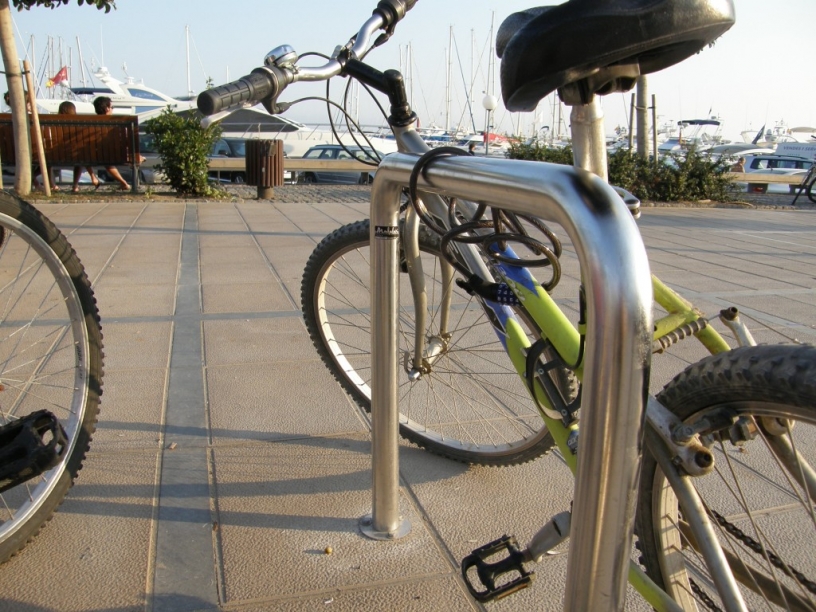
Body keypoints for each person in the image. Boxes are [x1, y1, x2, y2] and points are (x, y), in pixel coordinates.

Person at [58, 100, 100, 193]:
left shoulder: (55, 122)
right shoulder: (77, 122)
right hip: (74, 154)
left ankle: (52, 185)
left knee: (80, 155)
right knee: (81, 154)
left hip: (56, 154)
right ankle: (89, 178)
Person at [93, 96, 132, 190]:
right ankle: (124, 183)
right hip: (115, 155)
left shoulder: (91, 122)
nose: (112, 110)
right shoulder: (115, 122)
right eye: (112, 107)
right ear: (107, 108)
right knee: (107, 160)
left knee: (86, 159)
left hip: (91, 155)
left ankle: (91, 178)